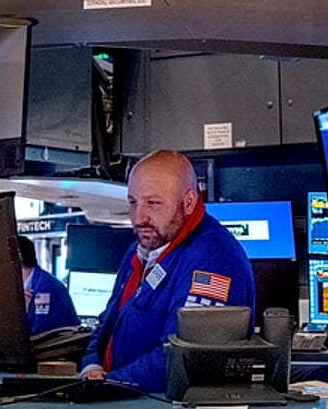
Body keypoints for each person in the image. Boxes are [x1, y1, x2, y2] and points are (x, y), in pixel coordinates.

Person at [78, 150, 255, 392]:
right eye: (133, 202)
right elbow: (106, 325)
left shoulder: (214, 257)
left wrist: (108, 383)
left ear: (189, 202)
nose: (139, 218)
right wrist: (91, 367)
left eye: (153, 203)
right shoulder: (137, 251)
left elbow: (184, 358)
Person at [19, 235, 80, 335]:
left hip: (56, 348)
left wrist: (22, 312)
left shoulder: (45, 287)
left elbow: (40, 335)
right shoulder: (32, 284)